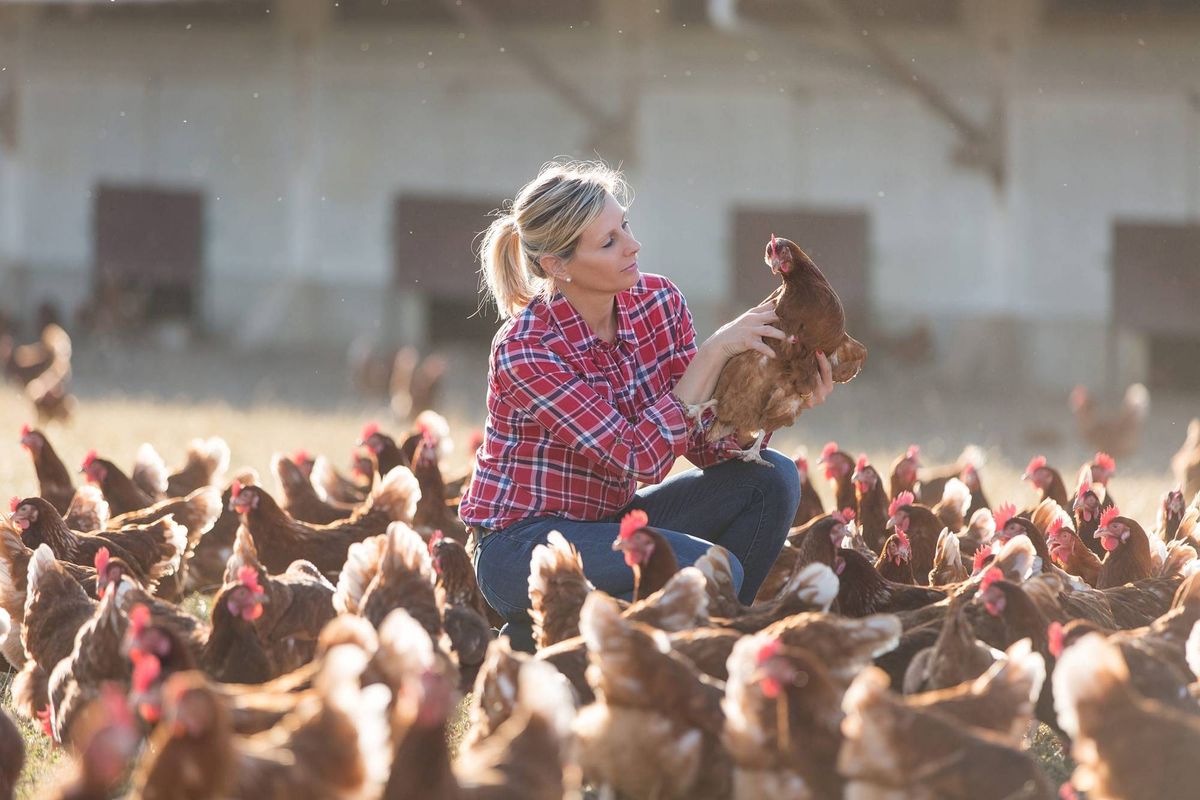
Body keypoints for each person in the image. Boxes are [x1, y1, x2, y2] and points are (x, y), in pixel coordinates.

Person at [459, 160, 834, 651]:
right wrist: (715, 353)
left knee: (773, 478)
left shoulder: (658, 302)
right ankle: (681, 643)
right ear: (557, 265)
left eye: (625, 226)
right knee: (712, 570)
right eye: (609, 241)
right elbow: (639, 457)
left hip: (612, 522)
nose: (633, 245)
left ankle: (680, 647)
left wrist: (775, 400)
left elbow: (704, 444)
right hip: (521, 545)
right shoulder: (528, 347)